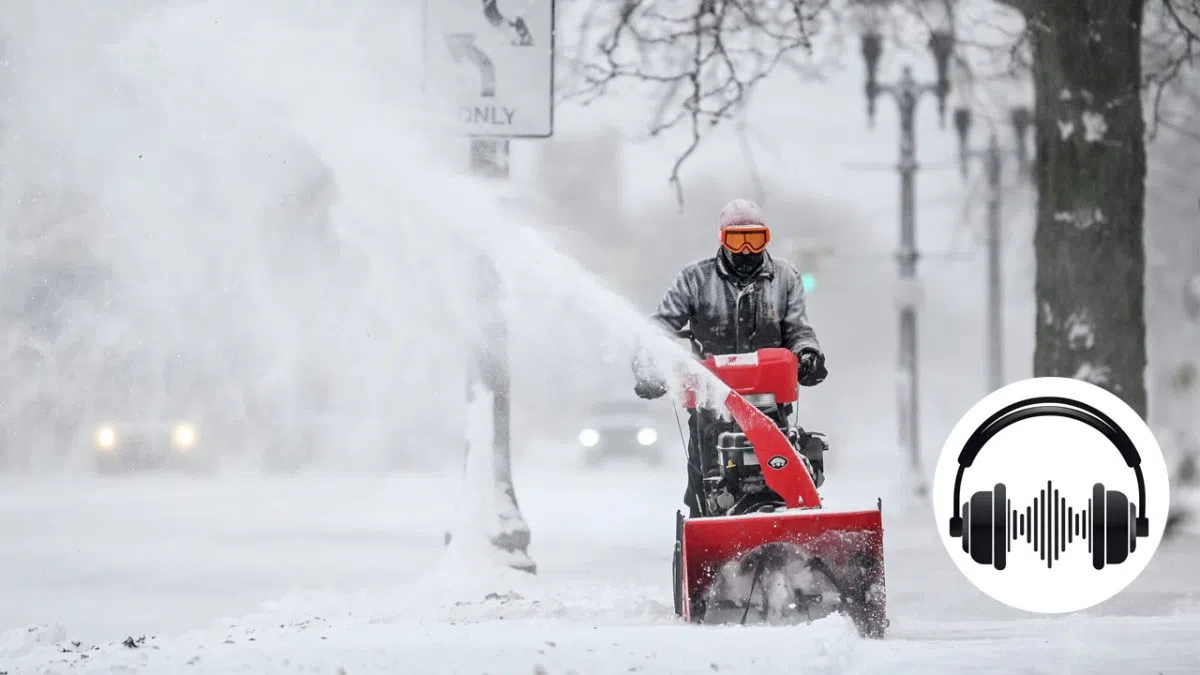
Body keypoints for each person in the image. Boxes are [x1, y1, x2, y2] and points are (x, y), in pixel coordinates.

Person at [631, 198, 829, 516]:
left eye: (756, 238)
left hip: (769, 403)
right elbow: (662, 327)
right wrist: (651, 367)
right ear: (722, 239)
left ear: (767, 238)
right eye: (737, 239)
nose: (747, 248)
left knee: (781, 470)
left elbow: (797, 329)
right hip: (712, 403)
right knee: (705, 479)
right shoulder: (695, 280)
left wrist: (808, 355)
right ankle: (707, 525)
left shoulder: (784, 279)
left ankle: (786, 517)